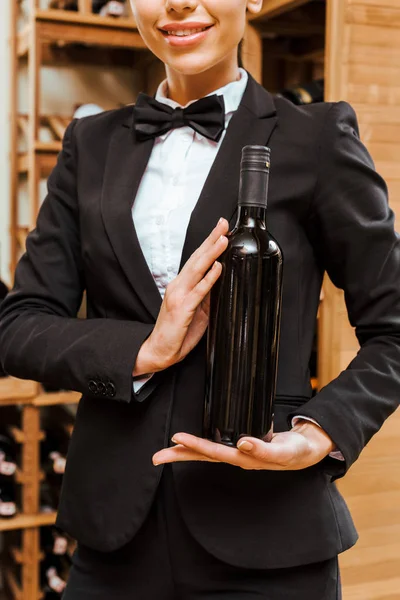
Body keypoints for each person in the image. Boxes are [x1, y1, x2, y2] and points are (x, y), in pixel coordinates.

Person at [0, 0, 399, 598]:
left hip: (269, 534)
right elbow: (20, 326)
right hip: (111, 539)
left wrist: (321, 431)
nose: (179, 3)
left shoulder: (315, 138)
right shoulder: (89, 143)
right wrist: (145, 348)